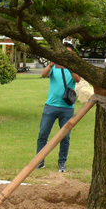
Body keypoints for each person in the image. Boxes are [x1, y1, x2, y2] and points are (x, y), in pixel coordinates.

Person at [36, 42, 82, 173]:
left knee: (65, 137)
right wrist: (51, 64)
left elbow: (78, 79)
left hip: (67, 107)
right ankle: (39, 161)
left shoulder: (74, 67)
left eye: (68, 53)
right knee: (43, 133)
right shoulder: (54, 66)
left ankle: (62, 162)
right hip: (50, 106)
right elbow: (43, 74)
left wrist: (70, 67)